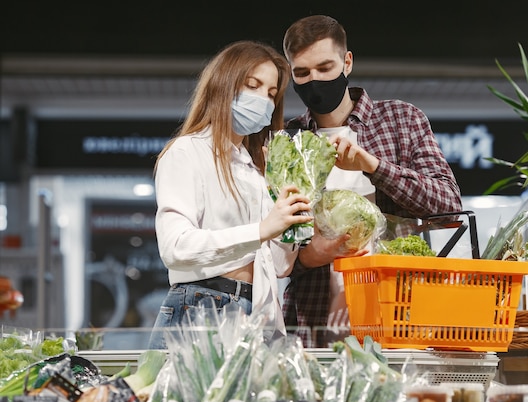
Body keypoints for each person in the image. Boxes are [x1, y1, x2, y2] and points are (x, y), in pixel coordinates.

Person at [281, 15, 463, 347]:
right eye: (302, 73)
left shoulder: (401, 120)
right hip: (313, 317)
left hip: (399, 309)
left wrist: (374, 166)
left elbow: (448, 205)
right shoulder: (288, 142)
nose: (314, 80)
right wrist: (308, 257)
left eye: (325, 68)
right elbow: (271, 248)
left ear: (347, 62)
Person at [147, 40, 313, 349]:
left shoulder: (256, 170)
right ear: (224, 84)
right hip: (204, 305)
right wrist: (262, 229)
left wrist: (292, 222)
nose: (264, 100)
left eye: (271, 94)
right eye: (254, 86)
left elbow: (279, 266)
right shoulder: (188, 152)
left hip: (258, 314)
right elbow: (175, 247)